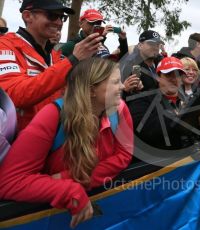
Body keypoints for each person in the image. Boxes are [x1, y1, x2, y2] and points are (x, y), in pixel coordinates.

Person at [0, 58, 133, 228]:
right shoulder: (53, 116)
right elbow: (9, 182)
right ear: (92, 90)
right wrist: (69, 190)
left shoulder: (120, 109)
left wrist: (69, 178)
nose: (122, 87)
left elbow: (124, 155)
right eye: (116, 82)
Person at [0, 0, 103, 130]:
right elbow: (15, 95)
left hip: (50, 138)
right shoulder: (4, 46)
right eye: (52, 15)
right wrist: (73, 60)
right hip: (17, 143)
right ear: (27, 16)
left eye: (62, 17)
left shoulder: (54, 56)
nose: (59, 22)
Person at [128, 56, 200, 150]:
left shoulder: (190, 99)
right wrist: (177, 117)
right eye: (169, 74)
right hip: (163, 160)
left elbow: (198, 133)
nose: (174, 79)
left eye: (178, 75)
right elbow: (143, 130)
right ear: (158, 77)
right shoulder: (143, 100)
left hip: (191, 155)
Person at [61, 9, 128, 60]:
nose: (96, 26)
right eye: (92, 23)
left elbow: (122, 60)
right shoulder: (70, 45)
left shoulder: (102, 45)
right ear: (81, 23)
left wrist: (123, 40)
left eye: (99, 23)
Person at [120, 30, 164, 99]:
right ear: (140, 46)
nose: (155, 47)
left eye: (157, 44)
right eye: (151, 44)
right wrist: (126, 90)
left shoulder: (162, 64)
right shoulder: (130, 66)